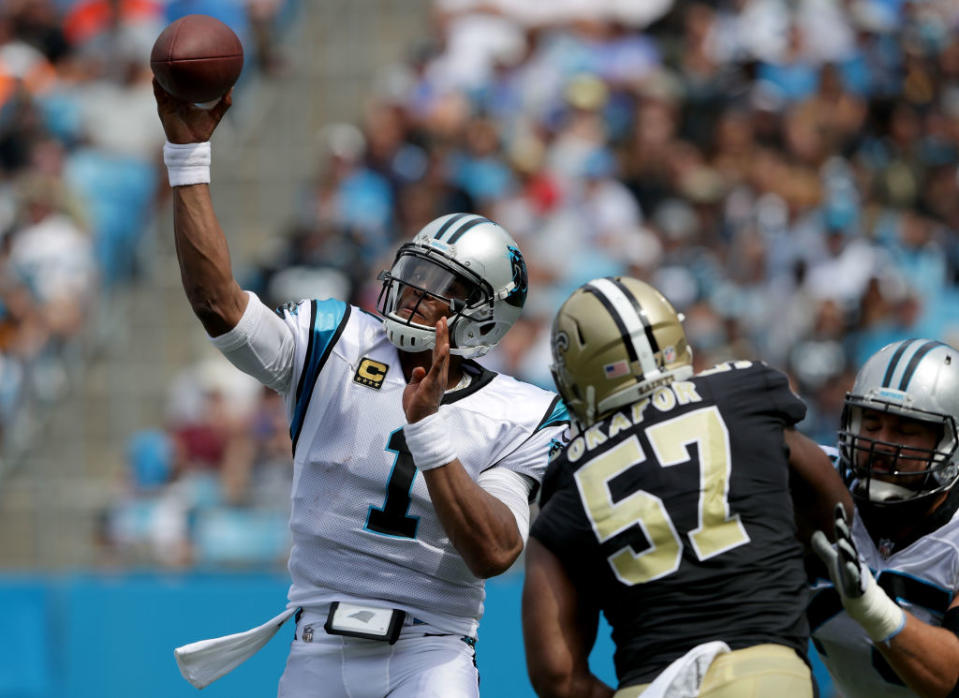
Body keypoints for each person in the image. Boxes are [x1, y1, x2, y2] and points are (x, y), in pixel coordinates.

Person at [153, 84, 569, 697]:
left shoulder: (518, 414)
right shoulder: (335, 340)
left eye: (438, 287)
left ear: (483, 316)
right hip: (316, 645)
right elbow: (219, 304)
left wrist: (428, 432)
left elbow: (494, 550)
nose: (411, 292)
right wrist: (188, 158)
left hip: (430, 653)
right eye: (414, 272)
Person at [522, 275, 851, 698]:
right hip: (764, 673)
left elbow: (556, 673)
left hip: (651, 682)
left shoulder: (569, 472)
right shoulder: (744, 392)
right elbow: (838, 515)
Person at [809, 338, 959, 698]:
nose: (881, 444)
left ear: (949, 442)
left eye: (905, 431)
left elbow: (952, 678)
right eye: (871, 423)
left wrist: (872, 607)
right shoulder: (817, 486)